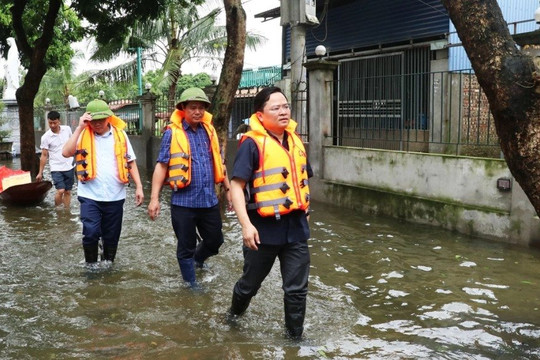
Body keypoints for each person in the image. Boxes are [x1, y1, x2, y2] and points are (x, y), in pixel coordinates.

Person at [228, 86, 312, 340]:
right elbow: (236, 185)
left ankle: (295, 340)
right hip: (262, 230)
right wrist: (245, 225)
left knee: (296, 290)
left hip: (296, 227)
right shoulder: (252, 144)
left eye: (285, 106)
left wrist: (308, 210)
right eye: (275, 108)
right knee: (250, 285)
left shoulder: (295, 141)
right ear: (261, 115)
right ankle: (232, 317)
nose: (283, 111)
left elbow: (305, 179)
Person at [147, 87, 231, 289]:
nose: (198, 112)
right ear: (183, 108)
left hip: (209, 200)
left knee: (215, 241)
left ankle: (198, 260)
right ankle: (190, 283)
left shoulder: (209, 132)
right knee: (186, 245)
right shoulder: (172, 134)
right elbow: (162, 165)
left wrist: (228, 192)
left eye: (201, 108)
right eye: (193, 107)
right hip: (183, 203)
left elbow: (220, 163)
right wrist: (154, 198)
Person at [62, 99, 144, 265]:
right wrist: (79, 127)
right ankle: (91, 266)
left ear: (109, 118)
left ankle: (108, 264)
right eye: (94, 120)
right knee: (90, 232)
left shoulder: (120, 135)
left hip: (115, 196)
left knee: (112, 236)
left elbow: (131, 162)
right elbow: (66, 152)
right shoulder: (83, 134)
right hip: (89, 195)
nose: (98, 123)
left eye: (101, 119)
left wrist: (139, 187)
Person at [36, 111, 75, 207]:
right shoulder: (45, 137)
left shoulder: (67, 129)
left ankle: (66, 212)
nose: (52, 125)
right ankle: (58, 211)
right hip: (56, 168)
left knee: (68, 191)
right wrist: (40, 172)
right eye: (50, 123)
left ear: (59, 121)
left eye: (55, 123)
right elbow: (44, 155)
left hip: (69, 165)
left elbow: (72, 143)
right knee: (60, 190)